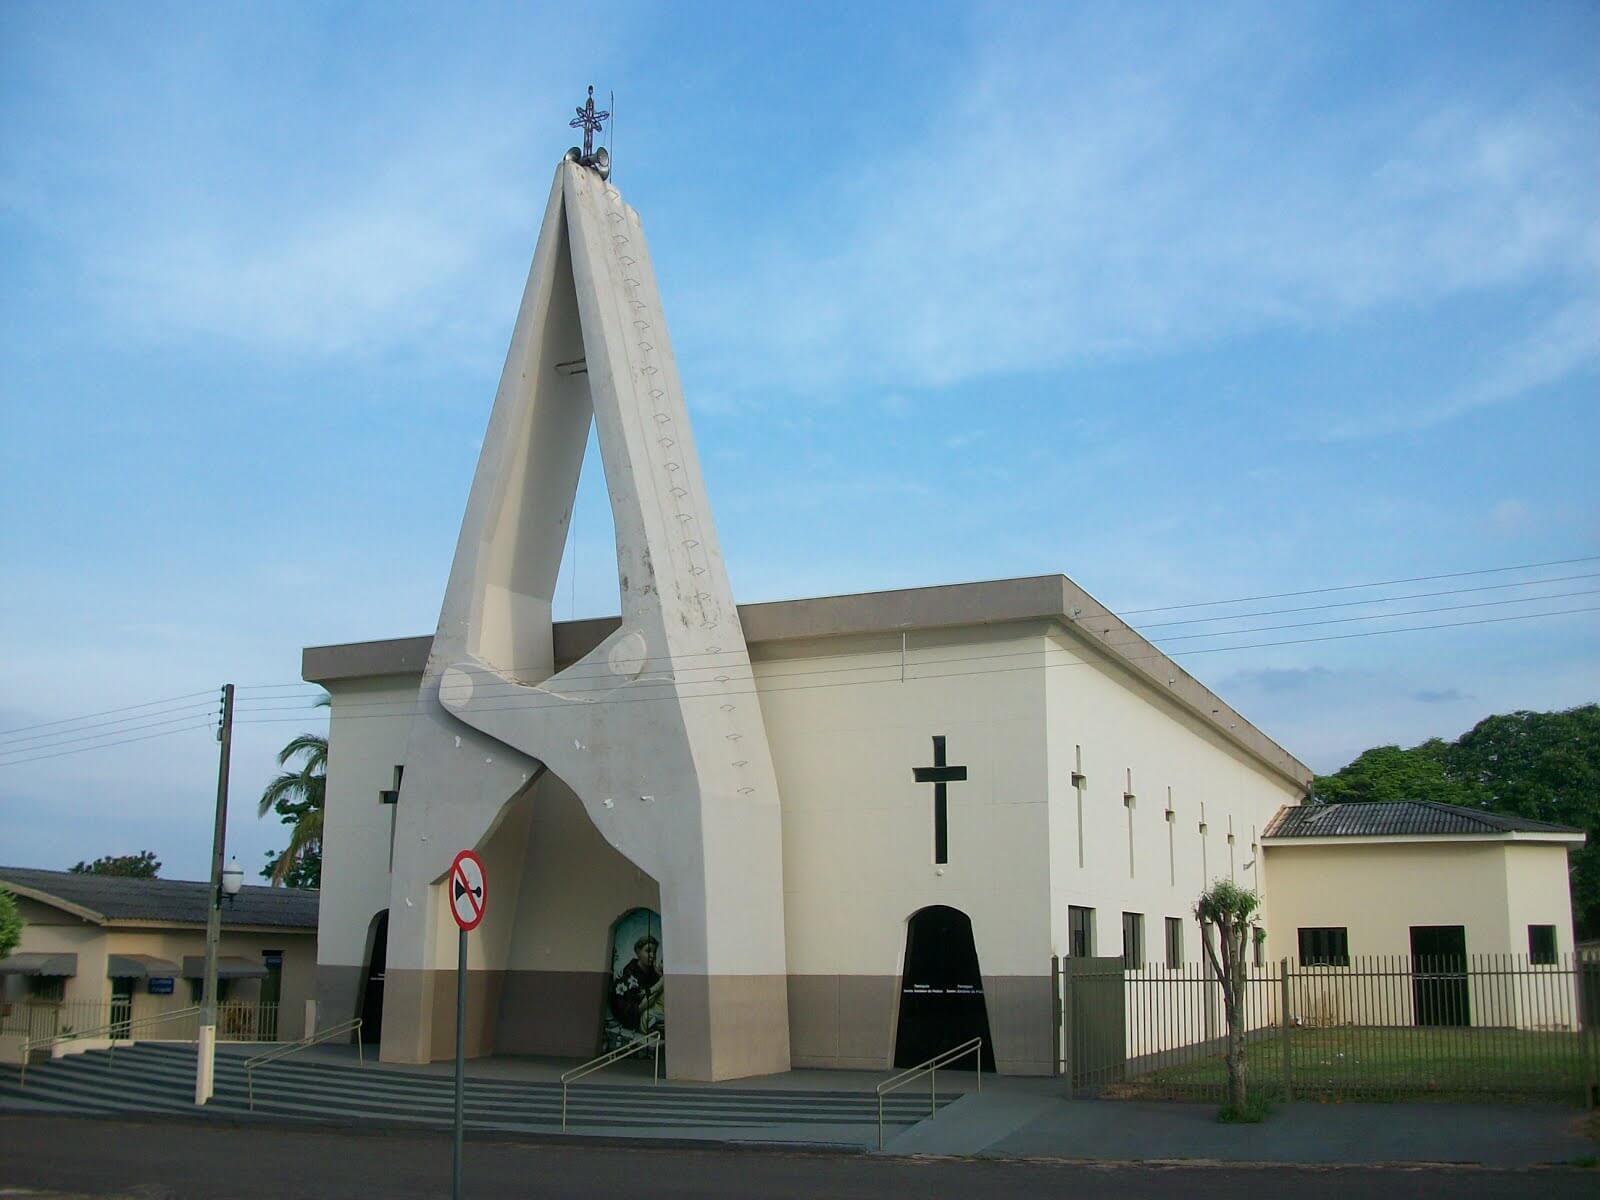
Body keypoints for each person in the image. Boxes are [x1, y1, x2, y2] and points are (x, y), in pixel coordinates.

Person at [609, 934, 663, 1036]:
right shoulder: (627, 975)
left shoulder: (655, 974)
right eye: (648, 951)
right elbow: (621, 1007)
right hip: (631, 1028)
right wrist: (640, 1007)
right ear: (638, 952)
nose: (652, 955)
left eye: (655, 952)